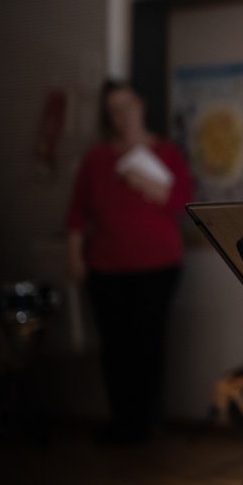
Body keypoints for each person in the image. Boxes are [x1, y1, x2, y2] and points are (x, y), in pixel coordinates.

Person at [66, 79, 193, 444]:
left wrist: (146, 183)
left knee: (148, 345)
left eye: (127, 106)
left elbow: (183, 201)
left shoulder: (166, 152)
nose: (123, 115)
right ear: (109, 117)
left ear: (140, 106)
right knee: (115, 348)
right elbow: (77, 213)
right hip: (107, 268)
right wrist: (75, 257)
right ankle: (122, 422)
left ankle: (145, 423)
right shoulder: (97, 159)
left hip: (157, 266)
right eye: (114, 110)